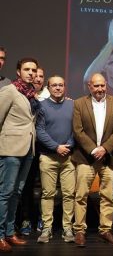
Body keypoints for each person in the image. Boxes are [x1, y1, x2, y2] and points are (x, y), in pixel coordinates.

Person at [72, 73, 113, 247]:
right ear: (89, 86)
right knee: (81, 195)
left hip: (108, 157)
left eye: (102, 85)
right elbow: (78, 131)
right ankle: (79, 231)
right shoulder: (79, 103)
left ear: (106, 85)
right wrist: (94, 149)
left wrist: (105, 149)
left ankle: (105, 230)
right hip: (86, 157)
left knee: (107, 196)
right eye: (96, 86)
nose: (100, 89)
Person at [0, 57, 39, 252]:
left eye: (33, 70)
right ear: (18, 72)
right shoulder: (10, 91)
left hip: (27, 149)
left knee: (16, 193)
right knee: (5, 193)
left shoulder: (31, 95)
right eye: (27, 69)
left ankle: (9, 232)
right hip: (10, 149)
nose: (31, 73)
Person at [35, 75, 76, 243]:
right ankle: (47, 229)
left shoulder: (73, 105)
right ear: (49, 87)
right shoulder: (41, 105)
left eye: (61, 85)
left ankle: (67, 228)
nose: (58, 88)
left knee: (68, 194)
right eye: (54, 85)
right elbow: (40, 130)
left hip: (68, 157)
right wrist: (56, 147)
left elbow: (77, 129)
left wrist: (69, 145)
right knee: (47, 194)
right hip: (48, 157)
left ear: (64, 87)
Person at [19, 66, 50, 236]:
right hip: (26, 146)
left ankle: (42, 217)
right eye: (35, 75)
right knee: (27, 185)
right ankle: (26, 218)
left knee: (45, 186)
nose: (38, 78)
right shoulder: (23, 95)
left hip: (44, 147)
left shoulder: (50, 95)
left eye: (41, 76)